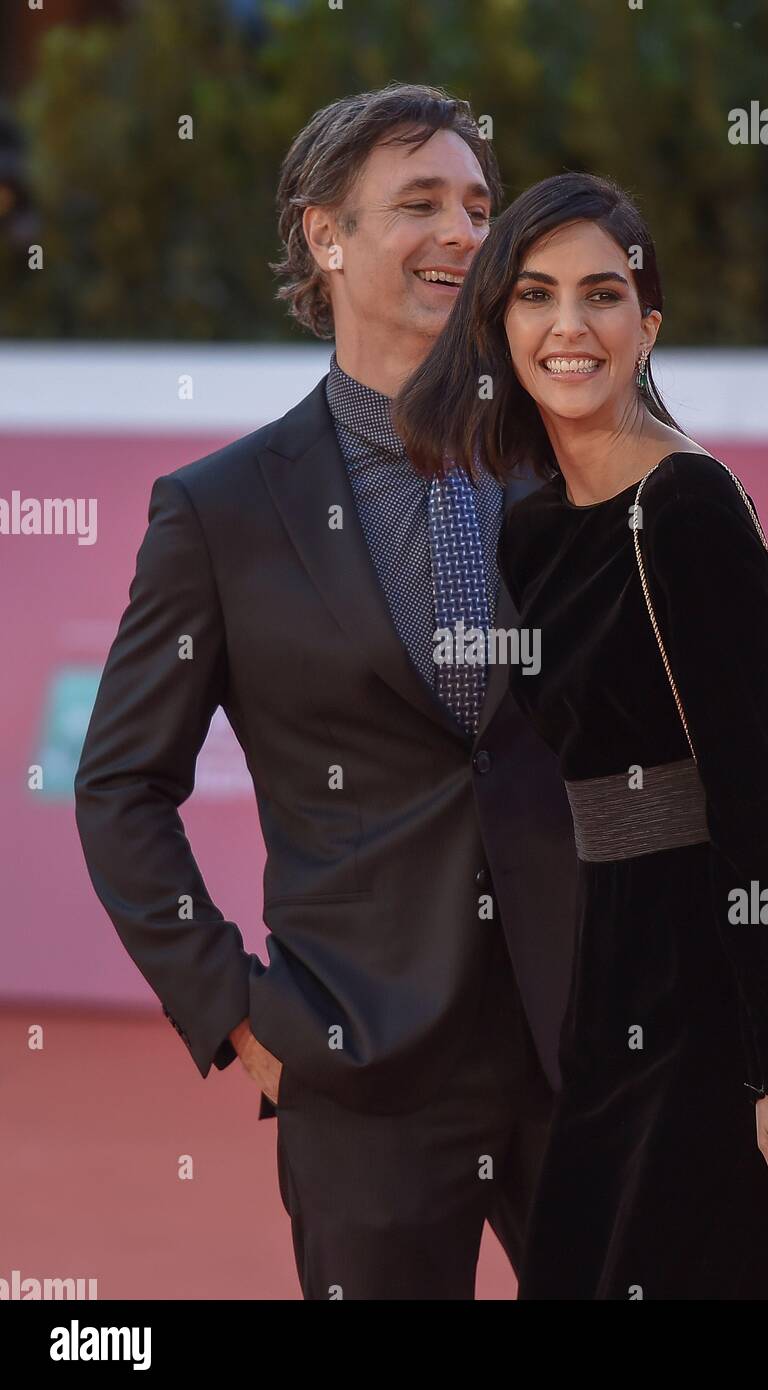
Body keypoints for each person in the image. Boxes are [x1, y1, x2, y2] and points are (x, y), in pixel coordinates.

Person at [73, 85, 580, 1300]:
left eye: (478, 205)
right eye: (420, 205)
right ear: (326, 235)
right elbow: (120, 788)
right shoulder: (224, 510)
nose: (464, 233)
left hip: (585, 1041)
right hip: (361, 1062)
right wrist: (242, 1018)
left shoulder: (570, 464)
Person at [392, 170, 768, 1299]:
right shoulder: (536, 529)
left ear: (646, 326)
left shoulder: (691, 507)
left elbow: (755, 796)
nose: (569, 326)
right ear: (499, 325)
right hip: (613, 989)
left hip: (729, 996)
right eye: (537, 295)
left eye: (603, 295)